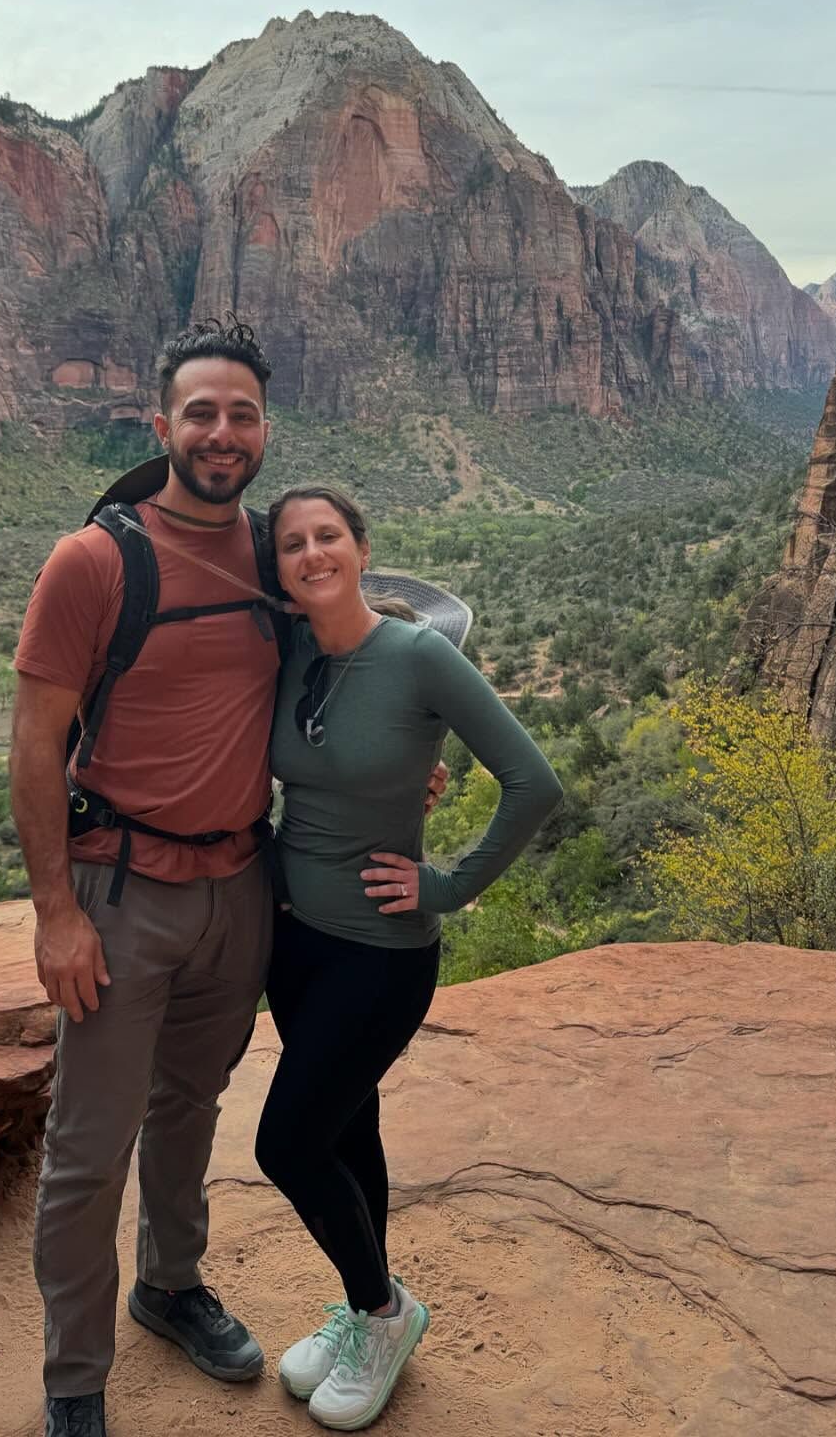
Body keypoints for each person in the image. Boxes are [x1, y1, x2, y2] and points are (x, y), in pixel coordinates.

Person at [11, 318, 448, 1437]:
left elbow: (355, 641)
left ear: (263, 431)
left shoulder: (271, 551)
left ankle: (171, 1284)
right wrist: (54, 912)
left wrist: (403, 758)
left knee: (190, 1108)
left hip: (244, 886)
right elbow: (32, 742)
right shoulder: (95, 560)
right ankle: (74, 1379)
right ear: (160, 425)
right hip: (119, 890)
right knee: (88, 1146)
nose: (220, 431)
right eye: (199, 412)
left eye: (241, 413)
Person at [255, 485, 563, 1431]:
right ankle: (361, 1306)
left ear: (360, 547)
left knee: (286, 1144)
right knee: (349, 1131)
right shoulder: (294, 653)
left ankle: (387, 1314)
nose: (313, 554)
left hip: (381, 954)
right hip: (295, 944)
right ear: (279, 569)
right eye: (294, 544)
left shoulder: (420, 655)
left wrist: (447, 885)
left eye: (329, 537)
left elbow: (533, 783)